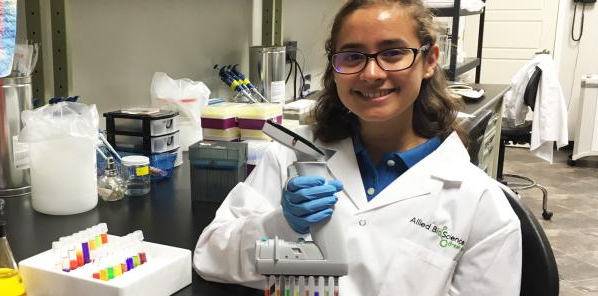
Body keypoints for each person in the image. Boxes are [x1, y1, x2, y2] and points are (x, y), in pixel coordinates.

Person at [192, 0, 522, 295]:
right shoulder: (293, 155)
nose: (372, 73)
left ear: (429, 59)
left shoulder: (481, 205)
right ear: (335, 69)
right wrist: (280, 225)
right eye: (352, 57)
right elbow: (210, 256)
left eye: (393, 53)